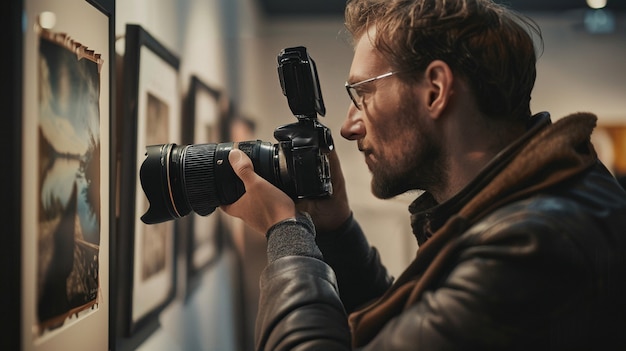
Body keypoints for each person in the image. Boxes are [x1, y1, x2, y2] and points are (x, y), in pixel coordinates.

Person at [221, 0, 626, 349]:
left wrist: (286, 232)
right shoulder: (534, 202)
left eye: (363, 94)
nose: (348, 127)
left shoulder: (536, 246)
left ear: (435, 90)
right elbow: (406, 330)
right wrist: (335, 228)